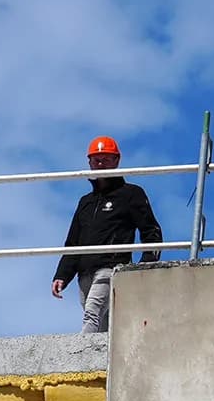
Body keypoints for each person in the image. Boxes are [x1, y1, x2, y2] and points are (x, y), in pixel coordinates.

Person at [52, 135, 163, 332]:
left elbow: (150, 229)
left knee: (92, 313)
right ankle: (104, 360)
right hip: (84, 272)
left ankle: (80, 356)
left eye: (106, 159)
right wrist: (61, 275)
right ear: (90, 163)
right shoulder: (86, 202)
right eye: (96, 160)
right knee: (104, 326)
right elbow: (73, 243)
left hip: (111, 267)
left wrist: (147, 262)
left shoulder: (131, 194)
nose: (101, 163)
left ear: (117, 161)